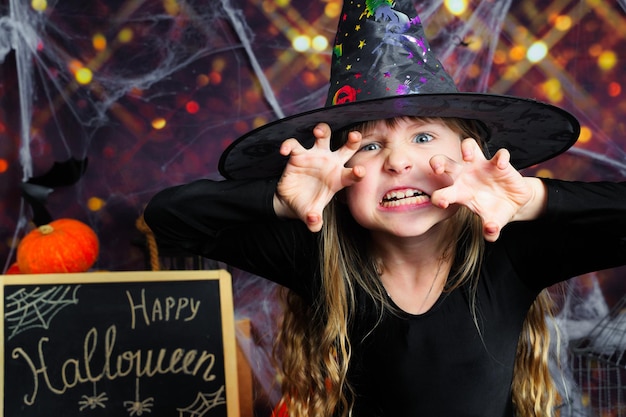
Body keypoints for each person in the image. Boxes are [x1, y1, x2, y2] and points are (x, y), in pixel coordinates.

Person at [144, 1, 626, 416]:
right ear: (339, 173)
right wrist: (281, 201)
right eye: (369, 147)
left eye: (422, 137)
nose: (397, 162)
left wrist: (535, 199)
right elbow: (170, 219)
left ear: (468, 153)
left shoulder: (510, 250)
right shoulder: (321, 252)